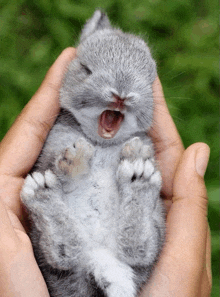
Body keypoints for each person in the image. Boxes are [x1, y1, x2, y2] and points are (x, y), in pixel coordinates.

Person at [0, 48, 211, 297]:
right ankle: (131, 204)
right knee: (130, 252)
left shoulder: (132, 137)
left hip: (87, 250)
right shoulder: (70, 126)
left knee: (69, 264)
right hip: (109, 243)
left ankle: (53, 209)